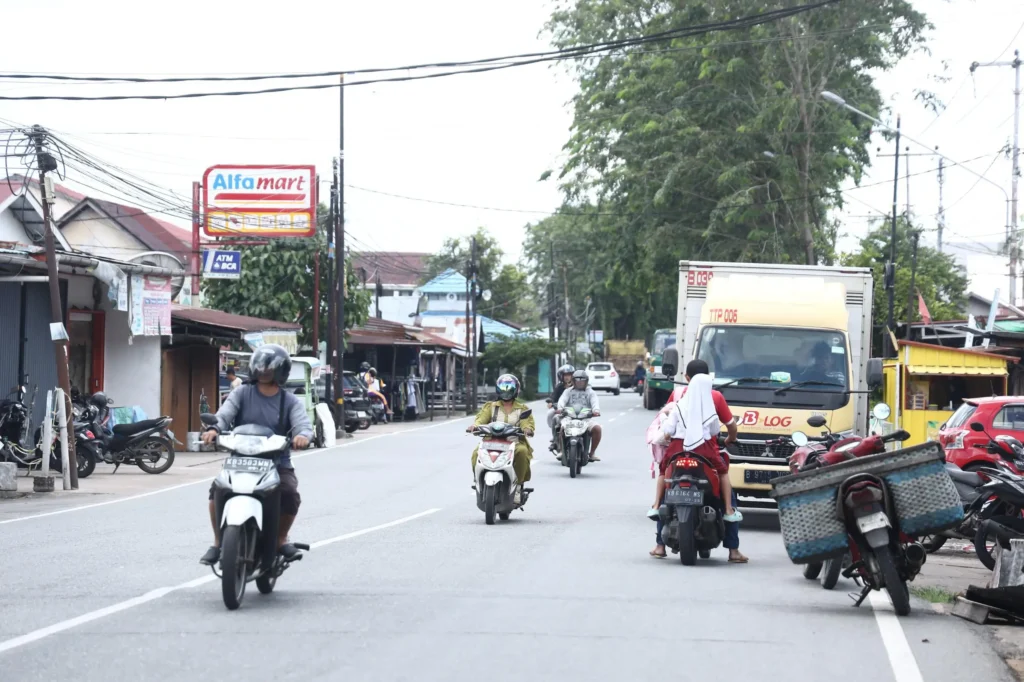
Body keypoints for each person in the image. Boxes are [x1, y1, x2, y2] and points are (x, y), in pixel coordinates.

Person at [199, 344, 312, 566]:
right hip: (240, 460)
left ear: (281, 371)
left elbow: (303, 425)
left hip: (276, 463)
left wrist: (303, 436)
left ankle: (280, 539)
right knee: (217, 490)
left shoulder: (289, 401)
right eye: (260, 367)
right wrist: (213, 429)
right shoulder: (241, 392)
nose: (264, 371)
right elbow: (224, 414)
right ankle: (217, 542)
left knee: (289, 492)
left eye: (270, 368)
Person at [651, 359, 747, 563]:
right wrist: (729, 439)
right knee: (723, 475)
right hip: (706, 453)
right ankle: (732, 543)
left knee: (665, 476)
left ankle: (659, 540)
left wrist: (669, 437)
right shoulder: (714, 401)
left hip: (677, 452)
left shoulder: (679, 400)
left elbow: (667, 430)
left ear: (688, 380)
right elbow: (718, 430)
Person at [467, 374, 535, 502]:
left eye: (509, 388)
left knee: (522, 452)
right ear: (498, 389)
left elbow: (527, 423)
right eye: (503, 388)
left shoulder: (522, 409)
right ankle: (479, 482)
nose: (506, 391)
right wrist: (475, 426)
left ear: (516, 390)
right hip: (490, 442)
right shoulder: (490, 407)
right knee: (476, 453)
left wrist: (527, 429)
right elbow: (481, 419)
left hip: (513, 442)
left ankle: (518, 487)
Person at [557, 369, 603, 461]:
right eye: (577, 380)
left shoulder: (590, 392)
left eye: (582, 380)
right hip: (570, 417)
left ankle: (592, 453)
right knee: (562, 429)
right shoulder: (568, 391)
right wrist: (560, 408)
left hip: (586, 418)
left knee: (597, 429)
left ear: (586, 381)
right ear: (573, 381)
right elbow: (562, 400)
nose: (580, 382)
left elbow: (595, 402)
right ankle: (562, 451)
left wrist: (596, 410)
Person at [546, 364, 576, 452]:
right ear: (561, 376)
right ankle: (555, 440)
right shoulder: (559, 387)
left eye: (569, 375)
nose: (567, 377)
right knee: (551, 415)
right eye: (565, 375)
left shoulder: (578, 386)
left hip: (576, 411)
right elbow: (553, 396)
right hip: (562, 410)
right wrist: (551, 402)